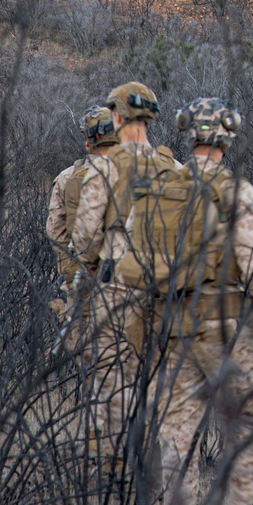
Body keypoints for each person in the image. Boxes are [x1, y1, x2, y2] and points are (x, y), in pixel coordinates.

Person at [116, 97, 253, 505]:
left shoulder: (159, 188)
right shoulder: (235, 190)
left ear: (188, 135)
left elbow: (131, 256)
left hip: (170, 330)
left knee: (177, 439)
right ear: (227, 138)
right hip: (224, 330)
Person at [71, 81, 180, 450]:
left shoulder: (105, 167)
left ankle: (115, 466)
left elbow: (85, 237)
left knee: (114, 387)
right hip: (163, 290)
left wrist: (90, 264)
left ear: (116, 117)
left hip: (116, 290)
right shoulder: (174, 168)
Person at [46, 105, 120, 299]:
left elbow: (56, 231)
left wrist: (71, 273)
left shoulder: (66, 177)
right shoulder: (139, 171)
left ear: (88, 143)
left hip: (83, 281)